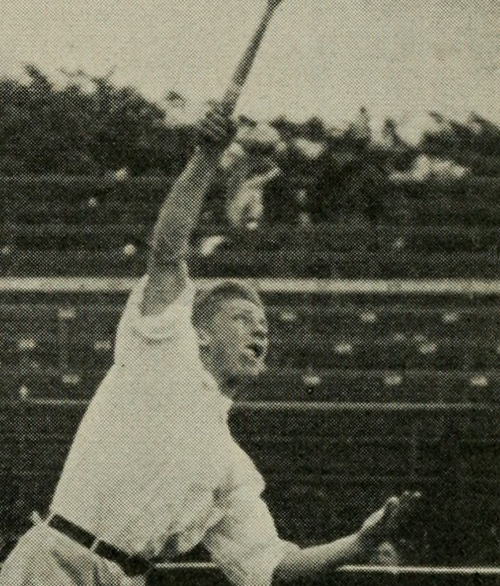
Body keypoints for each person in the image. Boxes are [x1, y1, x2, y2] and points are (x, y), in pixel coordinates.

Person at [0, 105, 419, 586]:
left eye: (264, 325)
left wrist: (358, 543)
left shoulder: (230, 464)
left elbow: (271, 568)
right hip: (52, 565)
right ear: (201, 332)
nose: (260, 332)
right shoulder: (162, 353)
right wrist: (206, 157)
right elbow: (167, 251)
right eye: (243, 319)